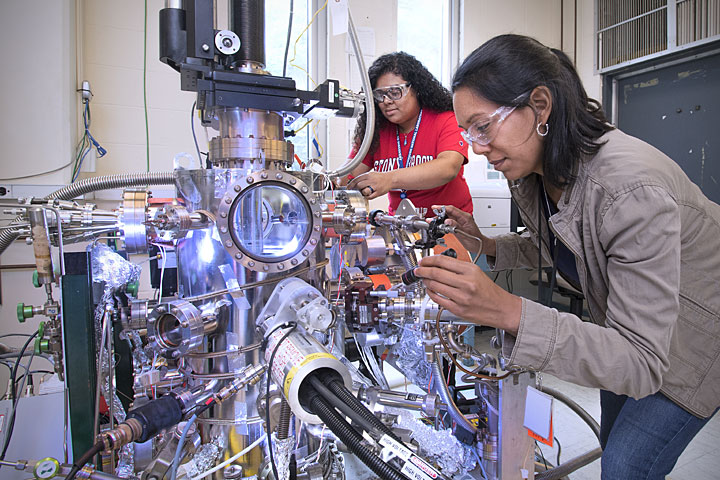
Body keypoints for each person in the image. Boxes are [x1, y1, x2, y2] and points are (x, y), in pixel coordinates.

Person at [415, 34, 720, 479]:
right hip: (630, 327)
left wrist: (509, 310)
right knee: (612, 438)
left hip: (695, 339)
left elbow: (639, 363)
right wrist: (485, 242)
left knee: (624, 465)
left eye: (483, 127)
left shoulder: (628, 189)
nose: (476, 147)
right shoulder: (540, 170)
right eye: (468, 132)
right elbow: (565, 244)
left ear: (540, 105)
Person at [346, 52, 473, 218]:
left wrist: (389, 179)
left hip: (450, 226)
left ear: (416, 89)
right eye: (379, 95)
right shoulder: (376, 131)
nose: (386, 101)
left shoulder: (447, 119)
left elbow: (448, 168)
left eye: (395, 92)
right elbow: (348, 174)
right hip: (401, 227)